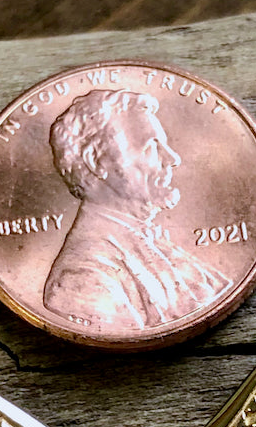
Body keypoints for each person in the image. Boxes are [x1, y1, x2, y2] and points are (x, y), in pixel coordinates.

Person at [42, 89, 230, 328]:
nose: (172, 158)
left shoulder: (158, 246)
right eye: (152, 146)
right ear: (97, 162)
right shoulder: (81, 280)